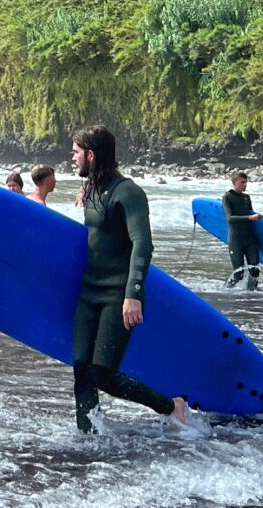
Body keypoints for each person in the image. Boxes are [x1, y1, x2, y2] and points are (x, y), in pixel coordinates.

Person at [70, 125, 187, 435]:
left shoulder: (129, 193)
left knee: (103, 374)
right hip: (89, 292)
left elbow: (143, 244)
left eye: (76, 152)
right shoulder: (92, 189)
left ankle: (170, 406)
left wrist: (132, 293)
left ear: (91, 155)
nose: (72, 158)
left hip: (117, 295)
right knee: (81, 368)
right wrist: (86, 191)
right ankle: (88, 436)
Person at [222, 170, 262, 289]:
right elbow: (230, 218)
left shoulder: (246, 197)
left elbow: (250, 213)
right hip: (236, 241)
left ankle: (251, 297)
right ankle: (225, 291)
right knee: (238, 274)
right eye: (242, 182)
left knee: (254, 271)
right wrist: (250, 217)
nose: (245, 185)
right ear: (234, 183)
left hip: (250, 239)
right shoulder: (227, 197)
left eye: (246, 182)